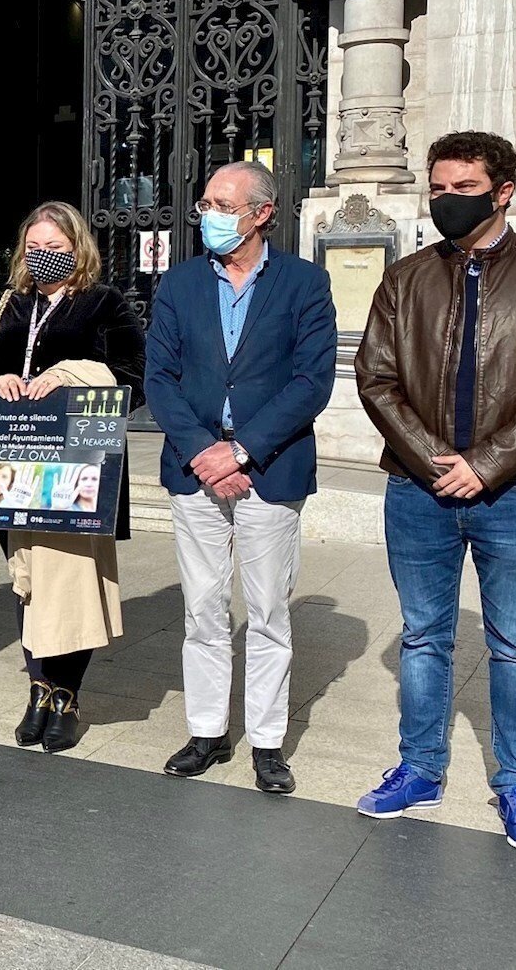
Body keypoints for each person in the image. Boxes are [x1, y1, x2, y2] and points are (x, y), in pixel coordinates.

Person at [353, 132, 516, 852]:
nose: (447, 200)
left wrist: (486, 464)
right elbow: (376, 378)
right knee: (424, 636)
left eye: (463, 187)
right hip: (418, 489)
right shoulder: (406, 279)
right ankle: (419, 769)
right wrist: (434, 460)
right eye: (438, 188)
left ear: (503, 191)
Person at [146, 161, 336, 793]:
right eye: (205, 204)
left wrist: (242, 452)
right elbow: (159, 379)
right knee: (202, 608)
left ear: (262, 214)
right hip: (195, 469)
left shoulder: (304, 283)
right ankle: (206, 731)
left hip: (269, 470)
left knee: (268, 610)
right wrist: (204, 450)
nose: (210, 216)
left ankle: (268, 743)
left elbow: (311, 382)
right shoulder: (179, 284)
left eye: (224, 206)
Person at [0, 201, 146, 752]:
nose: (43, 257)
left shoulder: (103, 303)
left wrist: (71, 375)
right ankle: (38, 688)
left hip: (76, 465)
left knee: (71, 583)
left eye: (55, 248)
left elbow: (136, 377)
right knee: (29, 582)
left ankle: (66, 694)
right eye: (34, 248)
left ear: (77, 248)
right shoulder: (8, 304)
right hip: (9, 463)